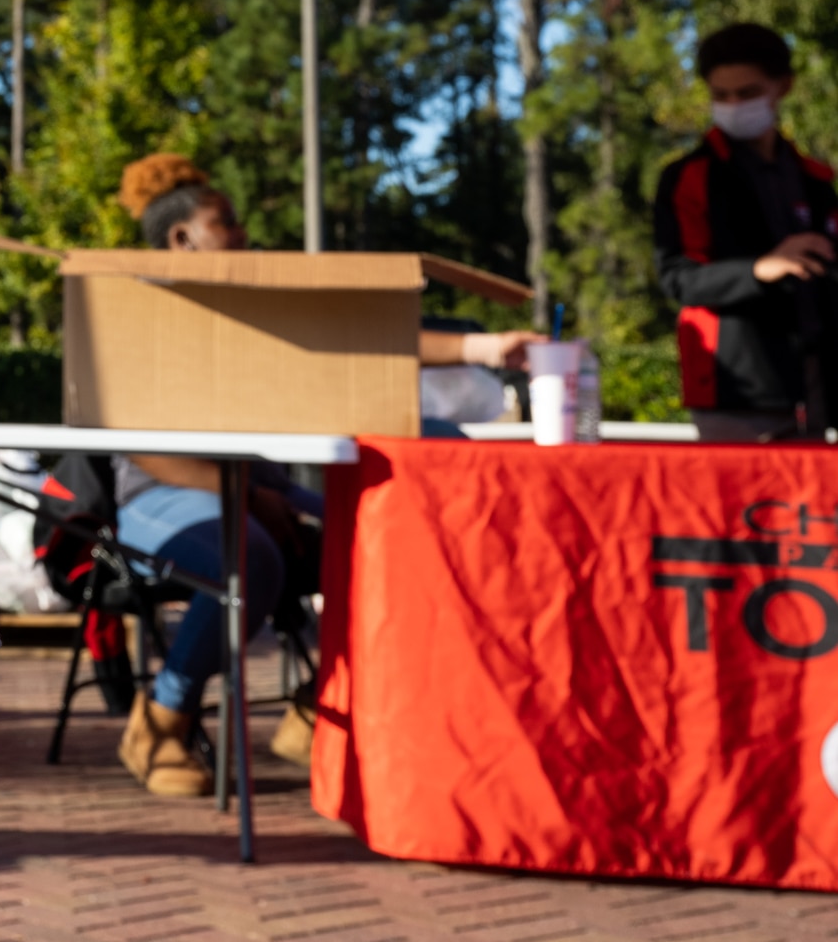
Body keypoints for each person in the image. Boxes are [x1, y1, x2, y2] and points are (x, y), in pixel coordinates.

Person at [107, 156, 538, 796]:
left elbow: (357, 346)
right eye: (227, 222)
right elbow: (146, 452)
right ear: (182, 239)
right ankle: (161, 720)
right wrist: (250, 496)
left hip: (262, 489)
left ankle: (319, 703)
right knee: (250, 558)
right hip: (162, 493)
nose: (244, 233)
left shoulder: (258, 311)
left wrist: (488, 347)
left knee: (399, 544)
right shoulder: (137, 315)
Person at [655, 22, 838, 443]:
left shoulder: (813, 178)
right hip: (737, 388)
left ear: (783, 86)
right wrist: (758, 269)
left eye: (748, 93)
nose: (734, 105)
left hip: (815, 384)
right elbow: (679, 277)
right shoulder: (691, 177)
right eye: (721, 95)